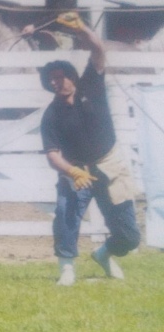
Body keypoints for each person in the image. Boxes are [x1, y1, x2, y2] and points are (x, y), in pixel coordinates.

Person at [36, 13, 140, 286]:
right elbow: (52, 155)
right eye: (52, 80)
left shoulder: (91, 85)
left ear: (72, 76)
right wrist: (71, 172)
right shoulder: (51, 115)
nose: (57, 82)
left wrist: (81, 27)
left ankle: (104, 254)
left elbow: (97, 49)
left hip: (109, 163)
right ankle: (67, 269)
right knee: (66, 217)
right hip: (77, 171)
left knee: (130, 236)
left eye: (61, 77)